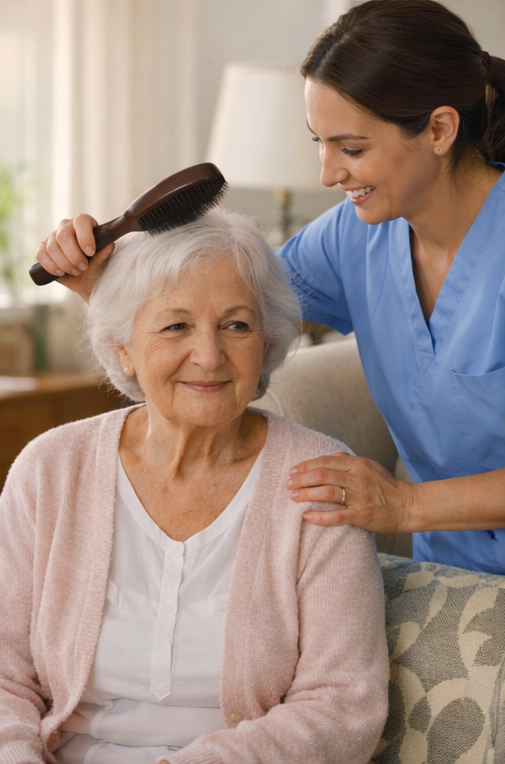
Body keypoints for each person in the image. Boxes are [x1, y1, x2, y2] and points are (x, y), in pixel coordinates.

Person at [34, 0, 505, 575]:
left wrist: (406, 504)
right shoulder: (352, 239)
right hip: (447, 584)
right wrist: (101, 284)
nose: (328, 174)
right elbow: (224, 318)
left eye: (352, 149)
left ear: (439, 128)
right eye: (320, 144)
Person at [0, 209, 388, 764]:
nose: (209, 356)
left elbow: (342, 706)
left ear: (267, 343)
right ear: (124, 349)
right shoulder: (50, 469)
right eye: (176, 326)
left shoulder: (321, 477)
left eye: (236, 325)